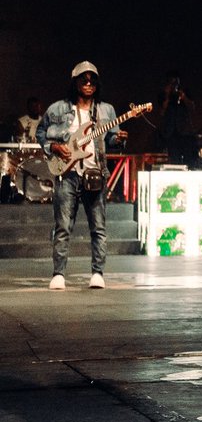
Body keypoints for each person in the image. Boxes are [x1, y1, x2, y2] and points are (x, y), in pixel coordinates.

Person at [36, 61, 128, 290]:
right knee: (63, 226)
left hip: (95, 173)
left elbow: (111, 140)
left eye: (92, 80)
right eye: (84, 79)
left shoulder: (106, 111)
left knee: (98, 227)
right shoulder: (57, 109)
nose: (88, 84)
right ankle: (58, 274)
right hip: (67, 175)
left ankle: (97, 273)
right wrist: (53, 147)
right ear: (75, 82)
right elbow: (41, 133)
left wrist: (118, 139)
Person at [158, 71, 196, 166]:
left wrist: (183, 97)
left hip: (185, 131)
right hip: (171, 132)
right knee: (174, 159)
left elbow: (192, 107)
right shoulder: (164, 95)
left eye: (176, 83)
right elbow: (161, 112)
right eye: (172, 83)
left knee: (188, 158)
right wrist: (167, 96)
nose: (174, 86)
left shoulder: (184, 92)